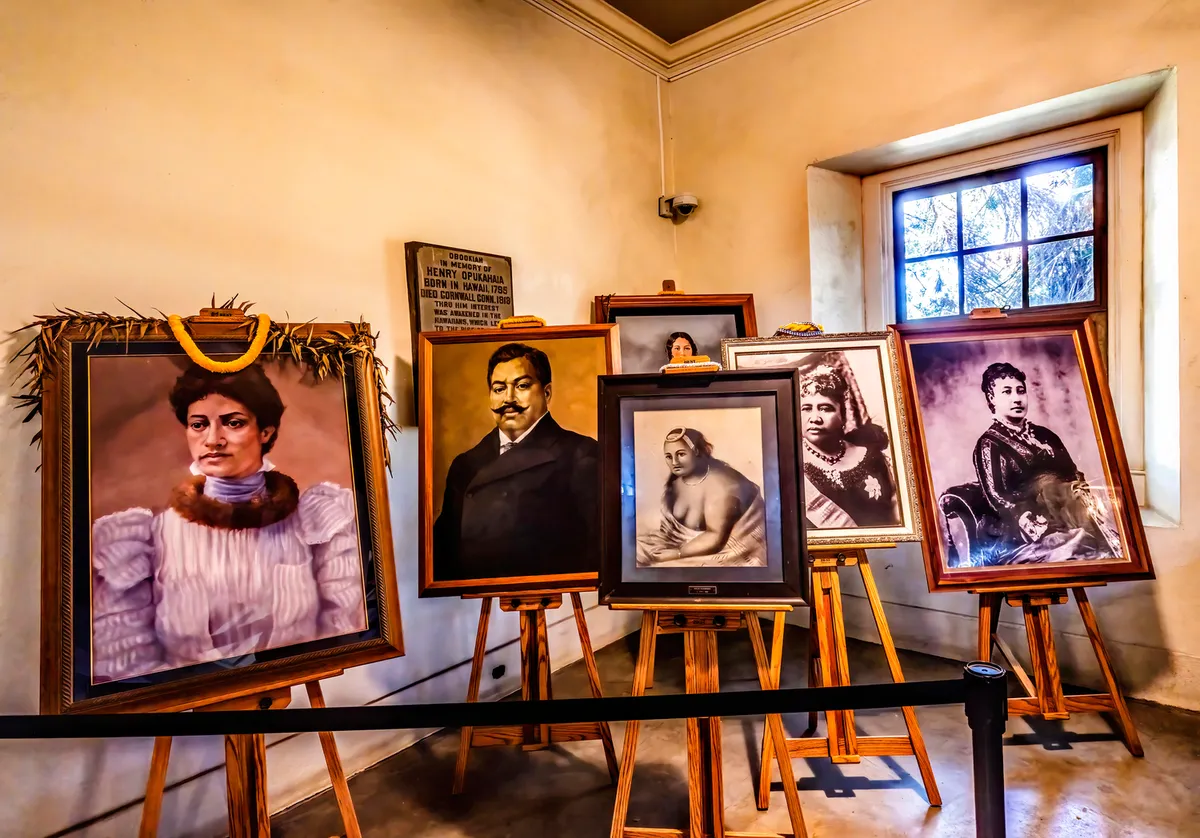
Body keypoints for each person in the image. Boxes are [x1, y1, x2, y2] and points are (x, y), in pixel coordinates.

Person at [90, 363, 365, 684]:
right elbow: (129, 663)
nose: (212, 439)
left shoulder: (315, 520)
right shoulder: (149, 537)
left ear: (266, 431)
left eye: (233, 423)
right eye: (198, 424)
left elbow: (342, 628)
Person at [433, 343, 599, 581]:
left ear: (547, 393)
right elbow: (444, 553)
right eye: (499, 389)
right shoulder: (465, 466)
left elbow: (595, 551)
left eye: (522, 386)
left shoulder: (581, 455)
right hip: (477, 602)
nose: (508, 399)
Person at [971, 362, 1120, 563]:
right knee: (1075, 546)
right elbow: (997, 496)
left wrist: (1080, 495)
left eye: (1020, 391)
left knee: (1105, 546)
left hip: (1069, 514)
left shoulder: (1045, 435)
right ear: (992, 398)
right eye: (1007, 392)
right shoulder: (989, 444)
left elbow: (1073, 472)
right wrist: (1033, 522)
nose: (1016, 398)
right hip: (1028, 528)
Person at [637, 427, 767, 567]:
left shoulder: (721, 485)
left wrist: (676, 554)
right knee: (633, 551)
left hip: (725, 553)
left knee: (656, 569)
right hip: (679, 545)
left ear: (696, 451)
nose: (674, 462)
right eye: (669, 456)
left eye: (681, 454)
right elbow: (671, 531)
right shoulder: (677, 480)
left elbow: (714, 538)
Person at [799, 366, 900, 529]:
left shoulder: (872, 459)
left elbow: (896, 518)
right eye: (806, 409)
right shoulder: (788, 464)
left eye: (826, 409)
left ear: (843, 415)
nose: (815, 418)